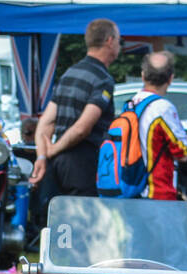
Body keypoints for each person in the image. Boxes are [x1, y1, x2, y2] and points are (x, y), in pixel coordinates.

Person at [30, 19, 120, 199]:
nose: (119, 45)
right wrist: (52, 150)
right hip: (84, 163)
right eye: (119, 40)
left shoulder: (69, 74)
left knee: (60, 222)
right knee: (85, 223)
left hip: (59, 166)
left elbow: (46, 122)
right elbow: (82, 128)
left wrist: (42, 157)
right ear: (109, 41)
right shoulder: (103, 79)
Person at [128, 51, 187, 200]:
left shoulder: (131, 103)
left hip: (132, 188)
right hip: (157, 192)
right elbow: (182, 152)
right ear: (170, 78)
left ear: (143, 76)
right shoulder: (163, 108)